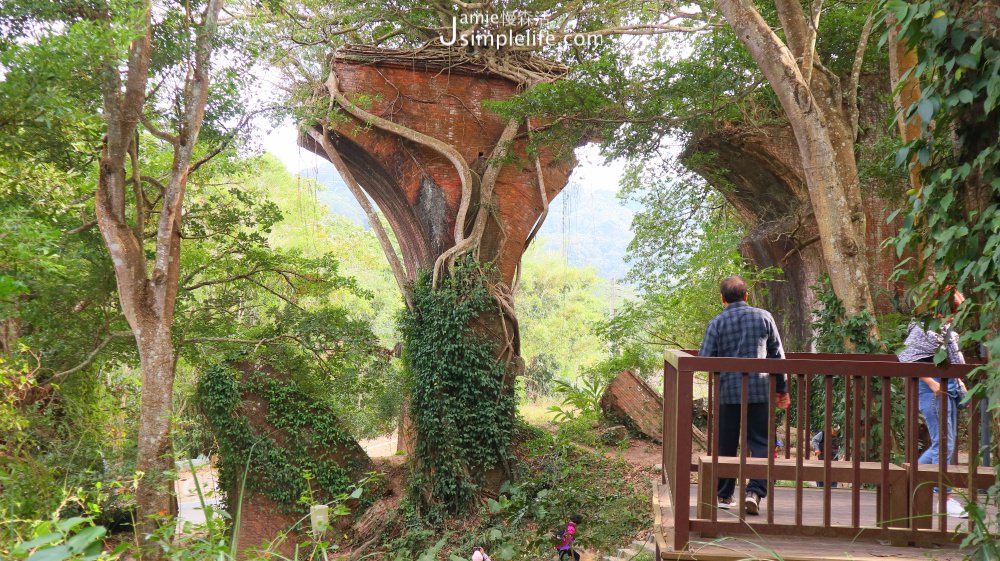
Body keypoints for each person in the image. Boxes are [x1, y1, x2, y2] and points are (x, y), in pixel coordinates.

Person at [699, 276, 790, 515]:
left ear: (722, 299)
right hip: (760, 390)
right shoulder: (764, 317)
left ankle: (724, 495)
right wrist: (782, 389)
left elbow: (705, 359)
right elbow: (777, 356)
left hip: (728, 391)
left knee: (726, 443)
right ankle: (754, 492)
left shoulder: (717, 322)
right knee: (761, 442)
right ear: (746, 295)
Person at [897, 289, 969, 518]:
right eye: (952, 312)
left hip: (948, 386)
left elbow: (953, 359)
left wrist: (960, 385)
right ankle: (943, 497)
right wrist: (931, 382)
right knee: (944, 443)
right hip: (933, 388)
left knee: (945, 442)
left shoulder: (944, 327)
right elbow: (906, 357)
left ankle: (909, 483)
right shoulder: (924, 326)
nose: (953, 317)